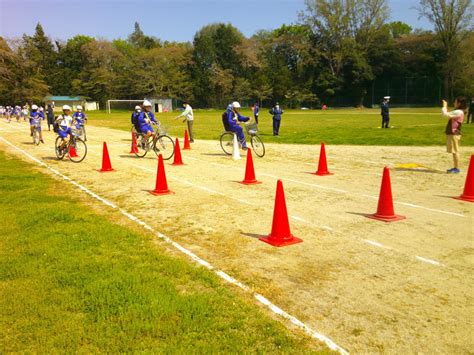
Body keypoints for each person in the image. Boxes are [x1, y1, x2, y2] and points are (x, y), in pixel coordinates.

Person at [442, 97, 467, 174]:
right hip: (454, 134)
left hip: (454, 134)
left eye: (455, 102)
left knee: (455, 151)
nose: (454, 103)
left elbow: (445, 115)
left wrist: (444, 106)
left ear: (459, 103)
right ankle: (456, 167)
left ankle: (456, 168)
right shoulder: (459, 111)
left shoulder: (458, 112)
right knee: (454, 151)